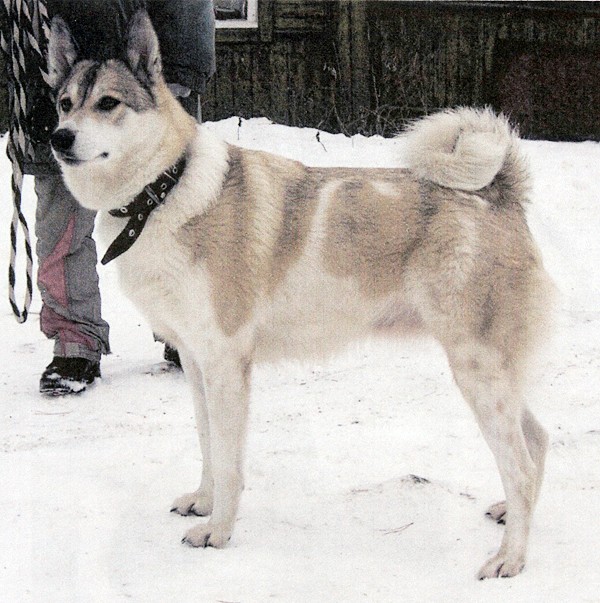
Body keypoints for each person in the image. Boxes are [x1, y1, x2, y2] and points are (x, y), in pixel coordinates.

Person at [1, 0, 216, 395]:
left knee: (176, 223)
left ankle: (184, 326)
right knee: (60, 231)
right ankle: (75, 341)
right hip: (55, 91)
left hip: (140, 91)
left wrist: (178, 73)